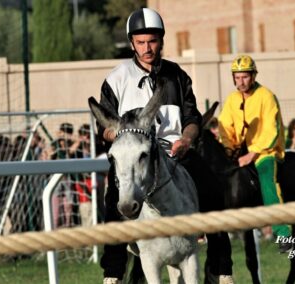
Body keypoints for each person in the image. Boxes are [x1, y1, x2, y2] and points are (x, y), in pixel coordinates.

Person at [97, 8, 233, 284]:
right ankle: (113, 273)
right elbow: (105, 128)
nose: (147, 48)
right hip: (133, 157)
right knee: (113, 201)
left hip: (174, 152)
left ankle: (222, 271)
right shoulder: (116, 78)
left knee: (212, 189)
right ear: (132, 43)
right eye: (141, 42)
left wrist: (187, 140)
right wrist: (123, 137)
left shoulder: (177, 76)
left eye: (153, 41)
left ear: (161, 41)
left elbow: (192, 118)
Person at [218, 54, 291, 253]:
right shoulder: (232, 100)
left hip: (267, 151)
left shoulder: (266, 96)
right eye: (237, 77)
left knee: (267, 177)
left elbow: (271, 130)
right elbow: (225, 128)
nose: (241, 82)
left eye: (245, 77)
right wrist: (228, 148)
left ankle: (283, 233)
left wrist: (253, 153)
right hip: (240, 151)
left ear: (253, 76)